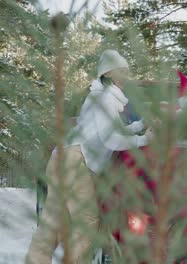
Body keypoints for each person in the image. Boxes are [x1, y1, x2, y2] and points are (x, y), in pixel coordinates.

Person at [25, 49, 153, 264]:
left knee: (53, 220)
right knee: (86, 222)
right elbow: (110, 140)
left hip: (63, 158)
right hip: (76, 161)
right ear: (110, 73)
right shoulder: (104, 99)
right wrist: (143, 140)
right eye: (123, 71)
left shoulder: (101, 96)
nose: (127, 75)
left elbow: (109, 130)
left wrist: (140, 126)